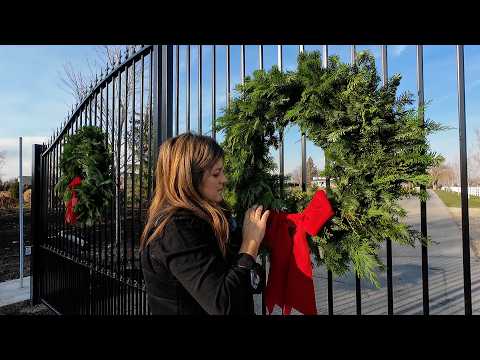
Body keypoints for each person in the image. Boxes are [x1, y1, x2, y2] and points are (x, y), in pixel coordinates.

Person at [139, 133, 270, 315]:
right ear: (190, 178)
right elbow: (222, 305)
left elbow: (254, 281)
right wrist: (250, 245)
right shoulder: (175, 229)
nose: (224, 180)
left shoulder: (214, 217)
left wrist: (247, 266)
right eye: (216, 173)